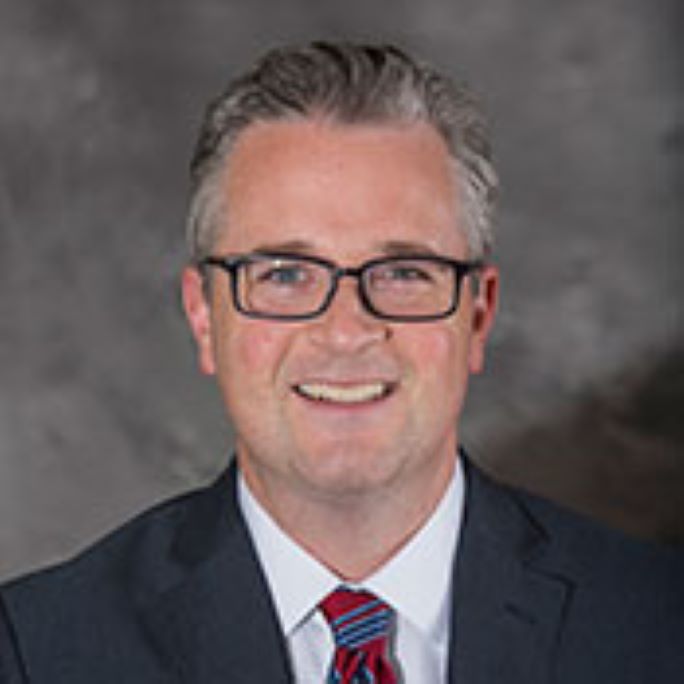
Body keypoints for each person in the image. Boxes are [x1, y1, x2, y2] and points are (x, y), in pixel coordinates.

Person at [1, 41, 682, 684]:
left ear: (477, 315)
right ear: (204, 316)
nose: (347, 331)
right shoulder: (38, 651)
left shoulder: (656, 625)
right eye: (285, 274)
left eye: (404, 272)